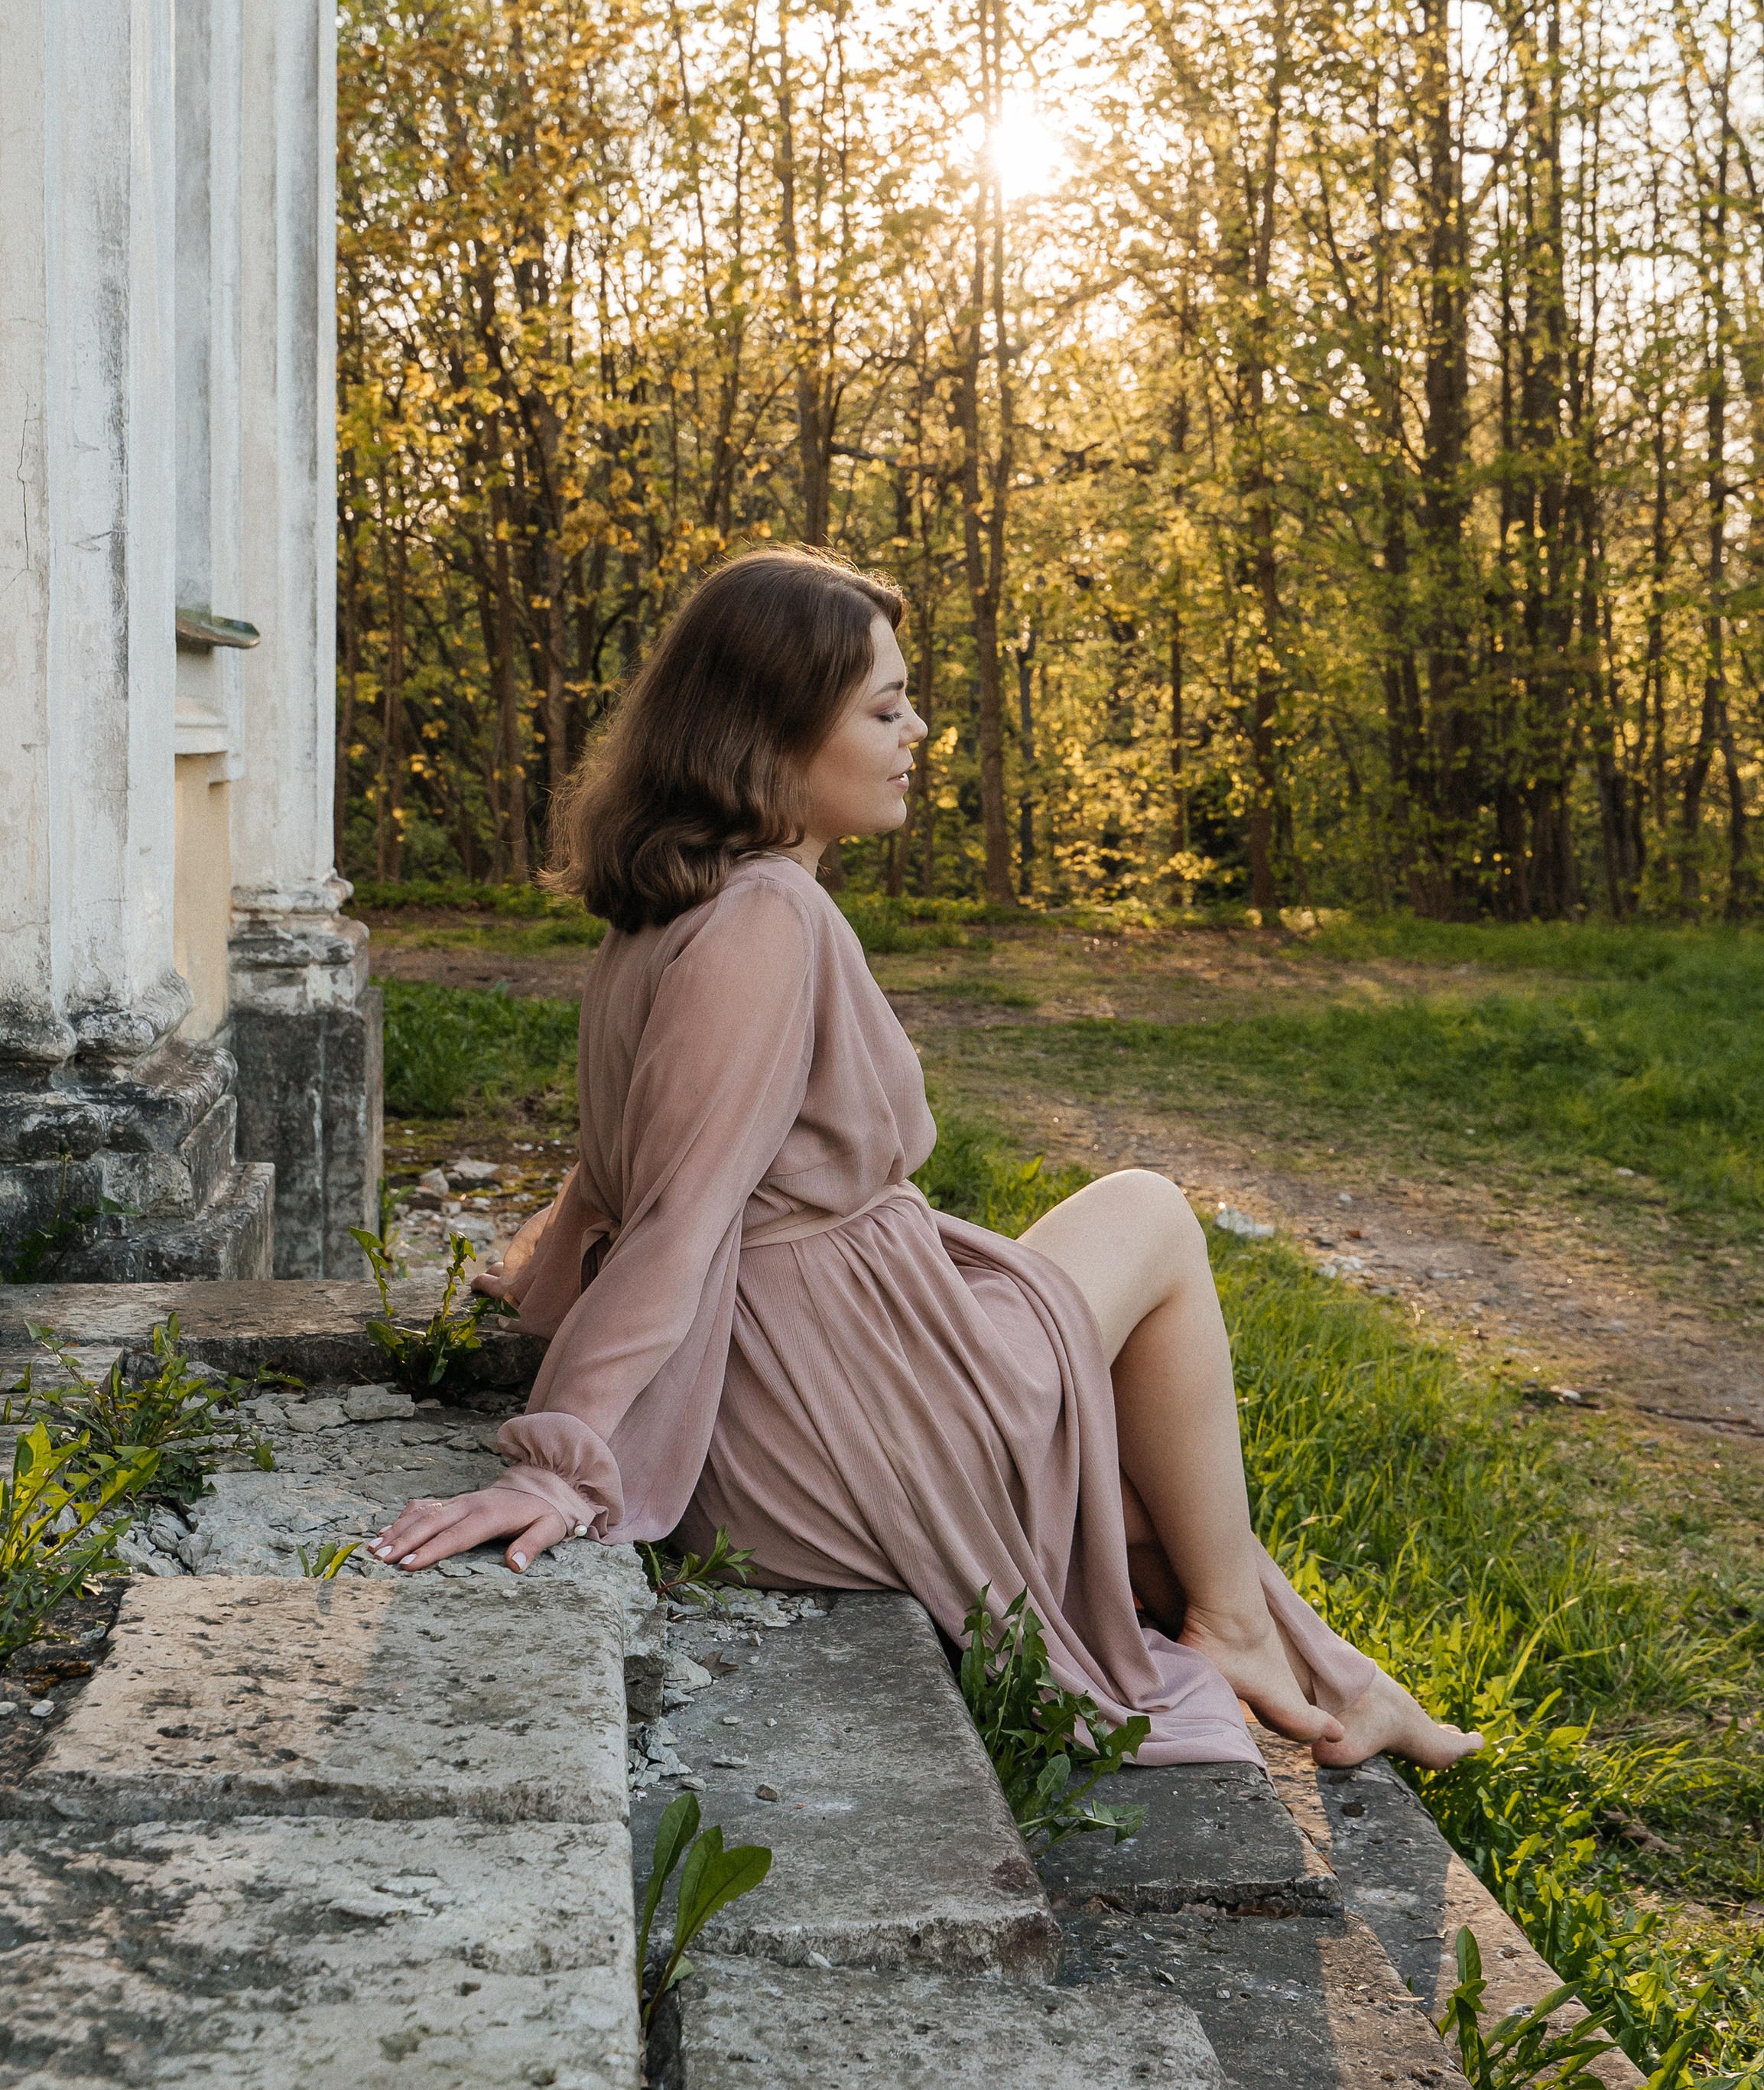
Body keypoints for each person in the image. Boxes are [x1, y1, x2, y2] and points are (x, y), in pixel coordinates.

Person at [371, 548, 1480, 1773]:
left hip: (814, 1371)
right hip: (825, 1408)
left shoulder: (673, 905)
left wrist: (537, 1289)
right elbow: (680, 1212)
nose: (921, 731)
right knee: (1152, 1213)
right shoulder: (770, 920)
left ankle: (1339, 1680)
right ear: (773, 733)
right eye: (886, 708)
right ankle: (1237, 1632)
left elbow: (613, 1172)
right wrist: (567, 1456)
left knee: (1113, 1481)